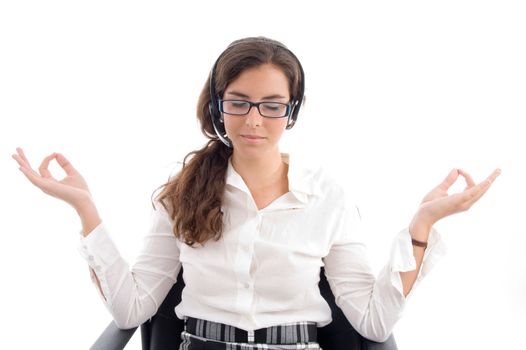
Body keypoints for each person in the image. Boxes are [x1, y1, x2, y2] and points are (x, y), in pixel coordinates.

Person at [12, 36, 500, 349]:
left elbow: (372, 322)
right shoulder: (181, 193)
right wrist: (85, 209)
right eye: (239, 102)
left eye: (271, 105)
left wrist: (421, 226)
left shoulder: (326, 196)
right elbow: (131, 309)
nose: (252, 120)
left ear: (291, 112)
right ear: (218, 105)